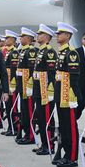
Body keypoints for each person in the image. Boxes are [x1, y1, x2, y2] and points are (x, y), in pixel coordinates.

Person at [53, 22, 81, 167]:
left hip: (68, 96)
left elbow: (74, 77)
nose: (58, 35)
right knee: (63, 126)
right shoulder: (62, 51)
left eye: (60, 33)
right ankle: (65, 153)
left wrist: (72, 96)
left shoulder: (71, 53)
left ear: (68, 36)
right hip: (60, 94)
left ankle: (72, 157)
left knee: (70, 126)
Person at [32, 24, 57, 155]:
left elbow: (52, 73)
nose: (38, 36)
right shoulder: (41, 51)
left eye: (40, 34)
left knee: (46, 119)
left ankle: (49, 144)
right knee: (40, 119)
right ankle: (44, 143)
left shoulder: (49, 51)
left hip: (45, 91)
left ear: (47, 37)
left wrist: (50, 91)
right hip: (38, 89)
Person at [15, 27, 37, 145]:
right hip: (21, 85)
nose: (20, 38)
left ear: (28, 38)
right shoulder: (23, 51)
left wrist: (29, 86)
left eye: (23, 36)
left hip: (27, 87)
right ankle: (25, 132)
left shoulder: (31, 51)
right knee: (23, 111)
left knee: (28, 111)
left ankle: (30, 135)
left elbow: (32, 69)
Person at [2, 29, 20, 136]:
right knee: (8, 106)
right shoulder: (8, 52)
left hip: (11, 83)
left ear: (13, 40)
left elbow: (13, 70)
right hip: (7, 82)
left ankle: (15, 127)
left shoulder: (14, 53)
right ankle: (10, 126)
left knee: (12, 106)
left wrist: (12, 84)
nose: (5, 40)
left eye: (7, 38)